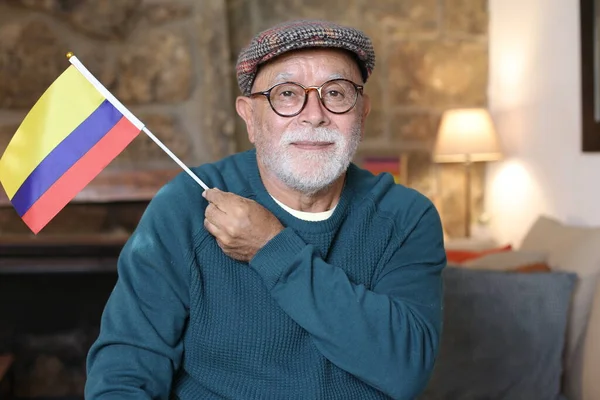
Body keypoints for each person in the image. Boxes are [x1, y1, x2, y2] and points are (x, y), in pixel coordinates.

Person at [85, 19, 446, 400]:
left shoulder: (407, 217)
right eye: (287, 94)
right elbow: (124, 373)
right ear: (250, 117)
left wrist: (271, 248)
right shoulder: (185, 204)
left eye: (336, 93)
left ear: (363, 111)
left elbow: (405, 369)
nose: (314, 114)